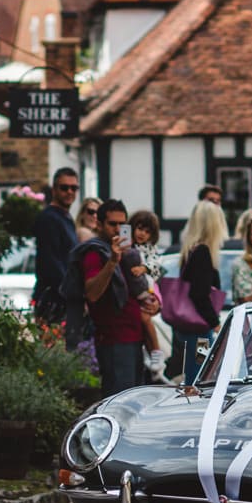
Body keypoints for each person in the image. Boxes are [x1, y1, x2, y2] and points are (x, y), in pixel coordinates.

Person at [75, 198, 156, 393]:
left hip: (135, 336)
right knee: (119, 403)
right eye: (112, 224)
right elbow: (92, 294)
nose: (118, 229)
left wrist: (155, 304)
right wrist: (112, 261)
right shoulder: (95, 252)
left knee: (135, 401)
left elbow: (139, 286)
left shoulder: (131, 252)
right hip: (114, 339)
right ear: (100, 224)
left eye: (122, 224)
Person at [173, 200, 227, 386]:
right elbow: (199, 293)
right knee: (200, 373)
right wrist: (215, 322)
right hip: (201, 330)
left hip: (192, 328)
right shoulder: (203, 252)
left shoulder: (191, 250)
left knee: (194, 371)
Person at [32, 167, 81, 330]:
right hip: (53, 301)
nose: (69, 192)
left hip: (64, 300)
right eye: (64, 187)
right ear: (54, 190)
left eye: (74, 188)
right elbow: (50, 262)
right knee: (53, 351)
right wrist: (72, 295)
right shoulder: (49, 218)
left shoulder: (66, 217)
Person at [130, 210, 170, 383]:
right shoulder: (128, 245)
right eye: (139, 228)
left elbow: (156, 264)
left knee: (145, 318)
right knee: (143, 320)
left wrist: (144, 268)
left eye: (147, 231)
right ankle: (152, 354)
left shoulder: (149, 249)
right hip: (142, 291)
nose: (142, 234)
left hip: (149, 289)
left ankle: (155, 352)